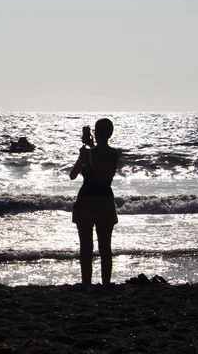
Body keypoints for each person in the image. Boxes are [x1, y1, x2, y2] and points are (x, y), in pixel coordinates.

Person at [70, 118, 121, 286]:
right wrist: (91, 147)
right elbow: (101, 164)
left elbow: (73, 174)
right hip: (106, 200)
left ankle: (87, 283)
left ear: (96, 133)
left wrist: (83, 153)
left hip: (86, 201)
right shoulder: (115, 154)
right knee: (105, 247)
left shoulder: (87, 153)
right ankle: (106, 283)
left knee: (86, 247)